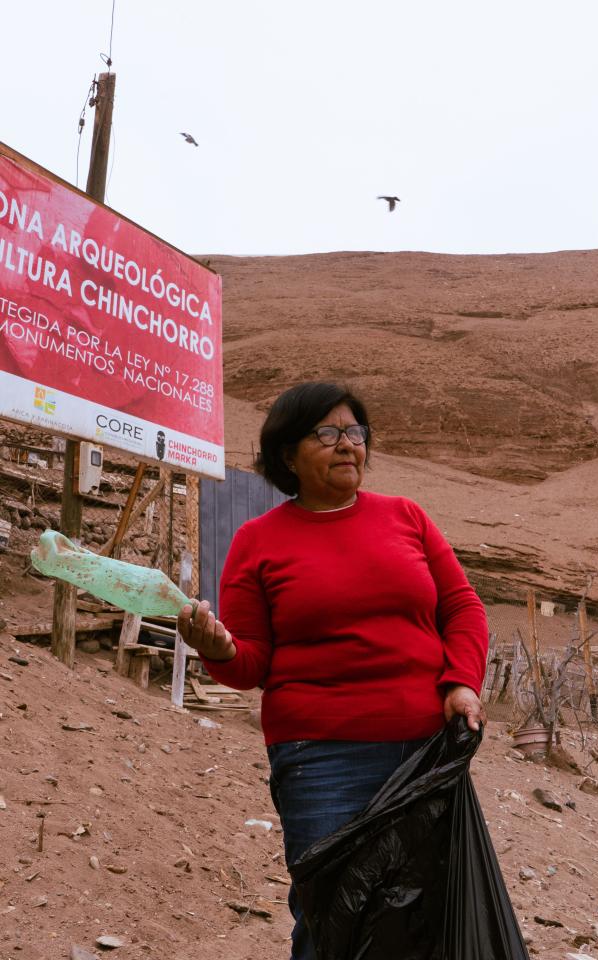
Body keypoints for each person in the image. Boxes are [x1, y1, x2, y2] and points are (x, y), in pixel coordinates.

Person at [176, 381, 488, 960]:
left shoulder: (406, 517)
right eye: (327, 433)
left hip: (423, 752)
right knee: (332, 918)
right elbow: (251, 663)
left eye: (355, 433)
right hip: (319, 761)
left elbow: (462, 607)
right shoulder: (257, 541)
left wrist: (461, 682)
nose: (347, 445)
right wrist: (216, 648)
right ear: (288, 454)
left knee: (423, 916)